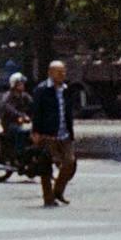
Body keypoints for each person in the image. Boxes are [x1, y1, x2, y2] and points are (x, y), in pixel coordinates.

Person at [31, 60, 78, 206]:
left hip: (64, 133)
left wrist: (71, 132)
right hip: (47, 134)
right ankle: (48, 197)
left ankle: (58, 190)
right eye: (59, 72)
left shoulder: (65, 89)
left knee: (69, 162)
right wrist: (36, 131)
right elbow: (36, 112)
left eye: (63, 71)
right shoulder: (42, 89)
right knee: (46, 166)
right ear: (50, 73)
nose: (62, 74)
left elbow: (68, 112)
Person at [0, 72, 33, 170]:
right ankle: (18, 155)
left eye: (23, 83)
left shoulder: (24, 96)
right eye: (20, 84)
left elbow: (33, 104)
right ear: (14, 85)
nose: (22, 86)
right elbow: (9, 108)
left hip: (21, 122)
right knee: (21, 132)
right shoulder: (8, 96)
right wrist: (21, 115)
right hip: (9, 123)